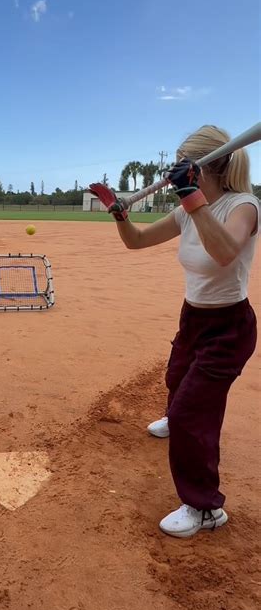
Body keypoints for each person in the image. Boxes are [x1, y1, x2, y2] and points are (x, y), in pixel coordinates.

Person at [109, 125, 259, 538]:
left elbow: (224, 252)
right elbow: (136, 241)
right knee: (176, 378)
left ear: (210, 165)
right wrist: (121, 216)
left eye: (183, 163)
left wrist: (192, 198)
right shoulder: (185, 211)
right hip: (193, 318)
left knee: (192, 412)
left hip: (229, 327)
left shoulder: (243, 206)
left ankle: (205, 508)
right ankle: (176, 421)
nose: (176, 170)